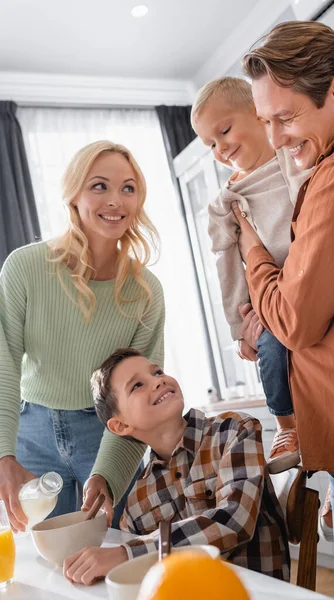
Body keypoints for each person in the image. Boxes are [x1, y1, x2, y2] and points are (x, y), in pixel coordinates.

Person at [232, 20, 334, 600]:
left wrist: (252, 247)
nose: (275, 138)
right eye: (265, 121)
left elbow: (296, 320)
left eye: (286, 117)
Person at [0, 141, 165, 532]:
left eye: (128, 187)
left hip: (109, 433)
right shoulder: (24, 268)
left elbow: (140, 395)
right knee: (44, 562)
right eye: (99, 186)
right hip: (31, 433)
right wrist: (4, 454)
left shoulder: (146, 292)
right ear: (73, 195)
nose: (116, 200)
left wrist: (107, 473)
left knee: (111, 555)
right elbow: (4, 360)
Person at [63, 348, 290, 586]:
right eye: (137, 385)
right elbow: (142, 579)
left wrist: (126, 553)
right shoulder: (136, 505)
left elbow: (234, 520)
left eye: (157, 372)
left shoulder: (234, 430)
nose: (158, 381)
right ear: (120, 426)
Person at [191, 76, 312, 475]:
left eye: (224, 131)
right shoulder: (228, 201)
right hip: (273, 292)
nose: (220, 148)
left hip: (314, 275)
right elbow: (225, 263)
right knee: (271, 348)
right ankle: (287, 424)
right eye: (210, 144)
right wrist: (239, 323)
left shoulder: (293, 155)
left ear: (260, 115)